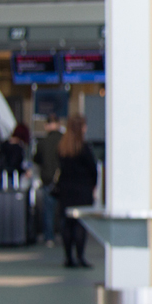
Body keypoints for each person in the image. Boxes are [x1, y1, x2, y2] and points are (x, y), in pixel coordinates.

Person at [55, 115, 99, 268]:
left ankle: (68, 258)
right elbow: (93, 169)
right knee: (81, 224)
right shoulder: (84, 148)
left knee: (67, 224)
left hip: (66, 190)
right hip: (82, 190)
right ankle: (80, 257)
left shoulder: (62, 147)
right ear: (81, 128)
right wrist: (93, 185)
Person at [33, 114, 64, 247]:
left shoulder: (42, 142)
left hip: (47, 179)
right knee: (63, 210)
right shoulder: (64, 140)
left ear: (46, 126)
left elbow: (36, 159)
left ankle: (49, 237)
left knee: (48, 211)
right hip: (63, 179)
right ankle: (65, 236)